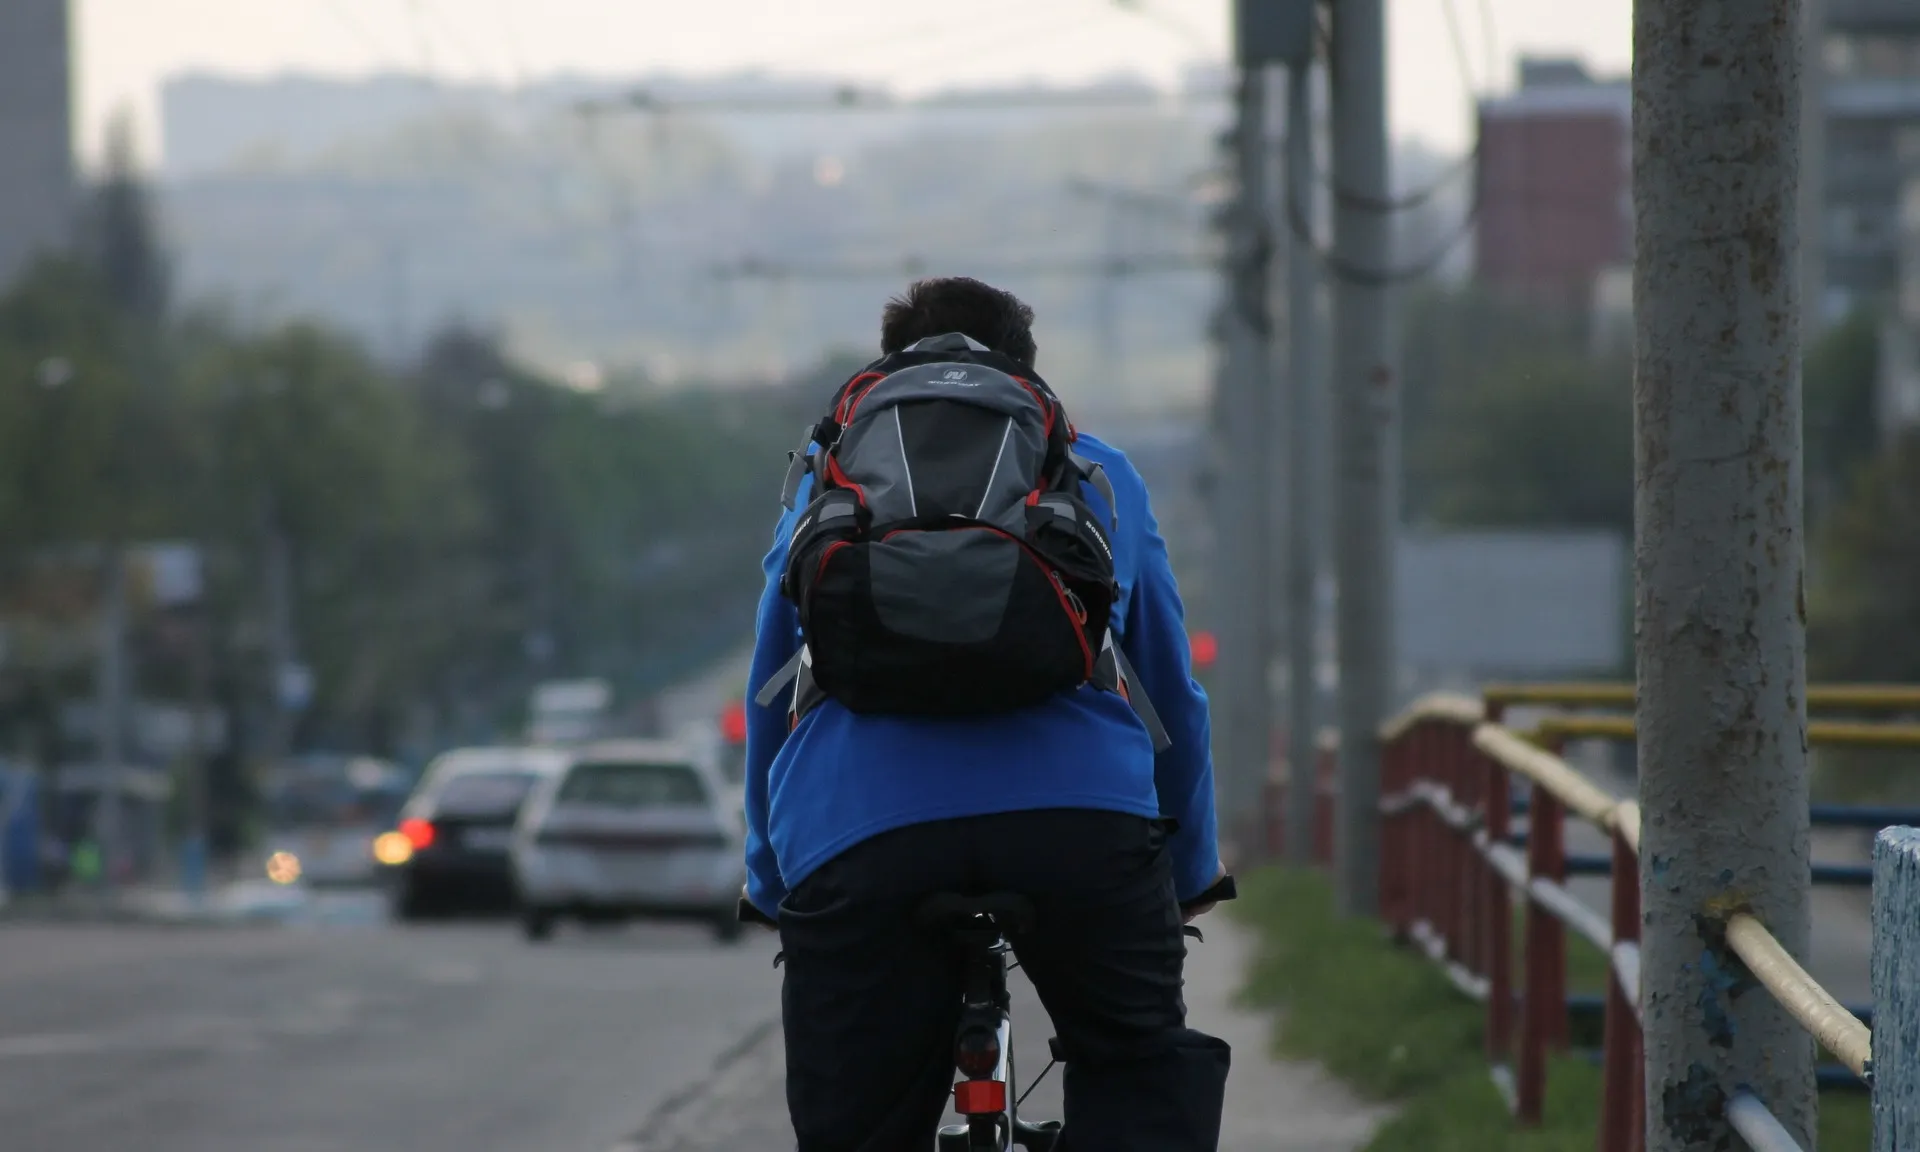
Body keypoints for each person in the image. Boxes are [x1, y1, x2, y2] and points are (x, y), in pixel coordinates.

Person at [743, 276, 1229, 1151]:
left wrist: (773, 876)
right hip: (1080, 826)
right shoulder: (1097, 471)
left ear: (889, 373)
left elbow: (771, 693)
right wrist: (1189, 870)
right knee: (1136, 1065)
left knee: (852, 1119)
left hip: (859, 830)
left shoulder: (830, 475)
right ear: (1026, 381)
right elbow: (1170, 694)